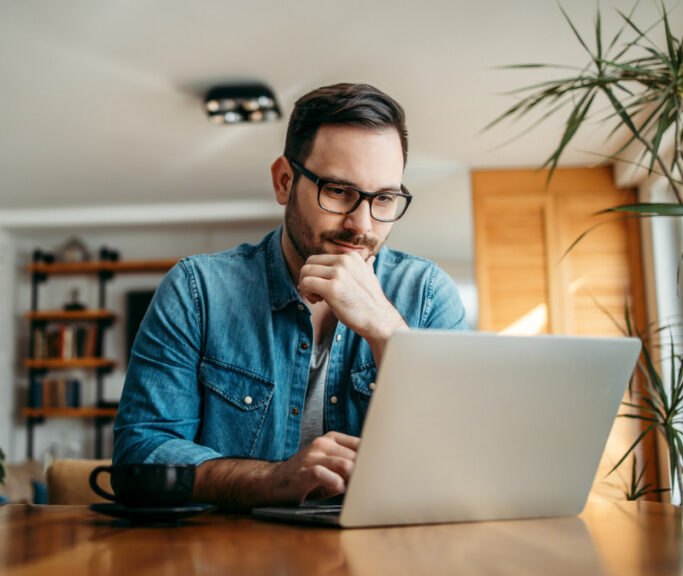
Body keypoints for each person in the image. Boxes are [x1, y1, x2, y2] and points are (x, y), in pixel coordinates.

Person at [113, 83, 468, 509]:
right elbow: (141, 454)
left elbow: (463, 465)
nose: (362, 224)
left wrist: (387, 332)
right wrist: (271, 479)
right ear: (284, 182)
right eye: (338, 191)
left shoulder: (428, 295)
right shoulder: (197, 291)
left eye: (385, 198)